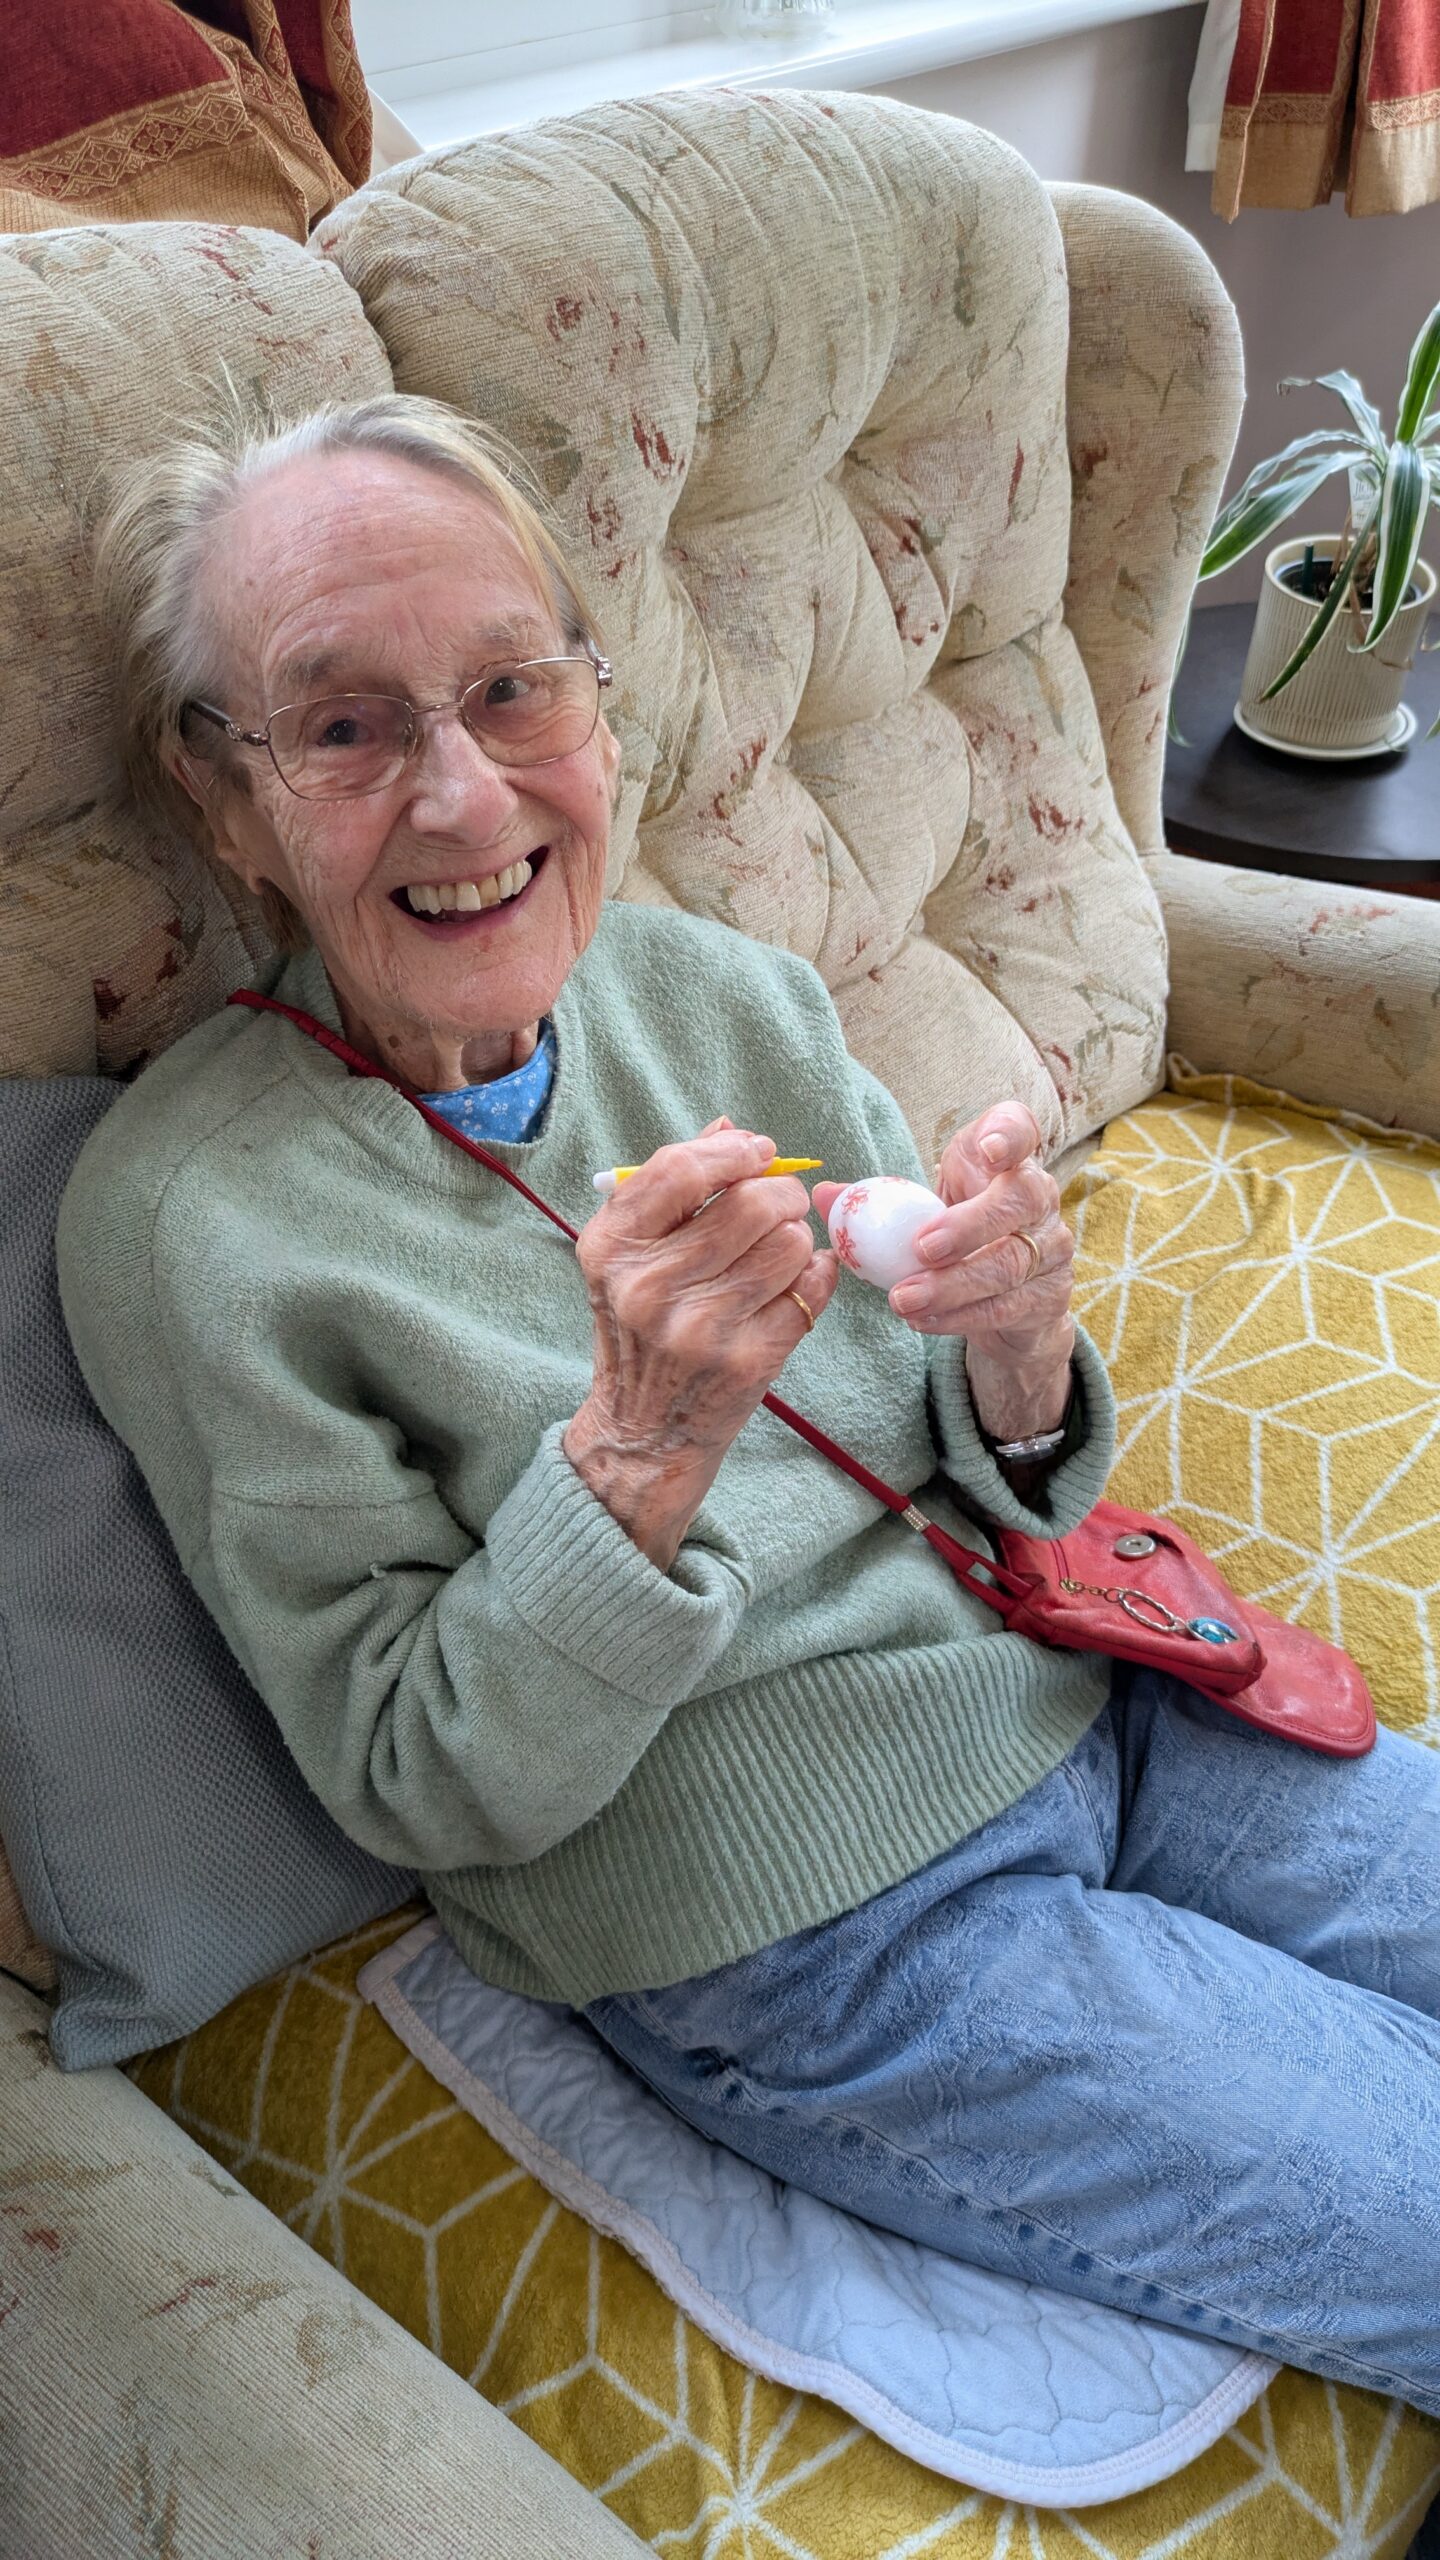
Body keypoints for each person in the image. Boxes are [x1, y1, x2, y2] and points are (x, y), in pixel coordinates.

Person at [59, 392, 1440, 2419]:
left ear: (592, 705)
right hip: (815, 1924)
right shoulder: (190, 1221)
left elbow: (1000, 1467)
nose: (463, 799)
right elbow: (418, 1777)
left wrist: (1019, 1341)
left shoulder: (717, 993)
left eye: (511, 686)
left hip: (1096, 1694)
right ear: (227, 798)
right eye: (343, 727)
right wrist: (632, 1451)